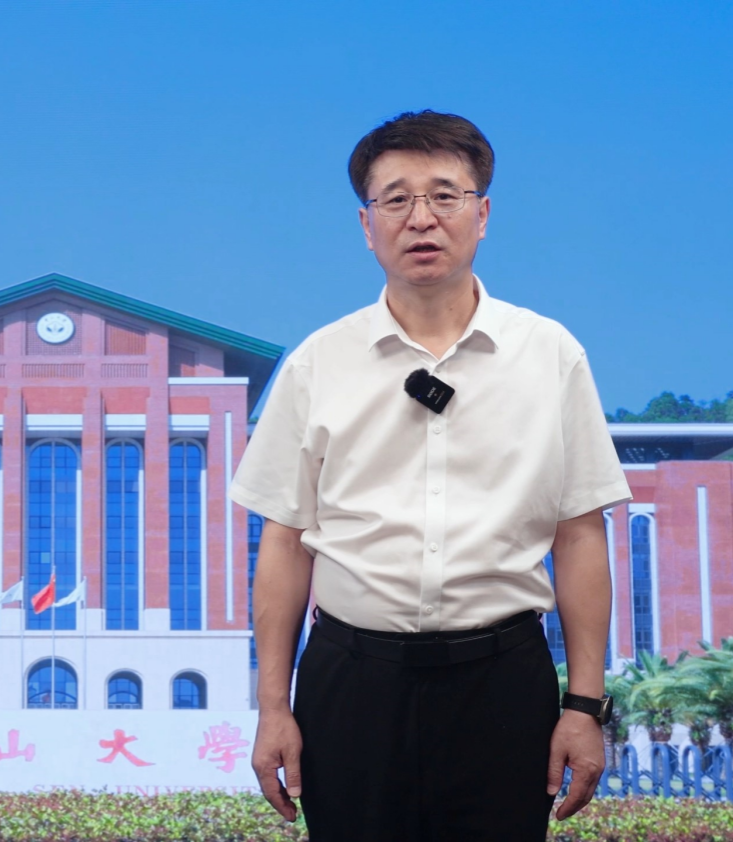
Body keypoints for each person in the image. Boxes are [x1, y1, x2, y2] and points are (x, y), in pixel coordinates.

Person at [228, 110, 631, 842]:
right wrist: (273, 705)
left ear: (483, 215)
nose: (422, 218)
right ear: (366, 224)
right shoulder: (319, 362)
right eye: (396, 200)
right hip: (351, 681)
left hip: (503, 679)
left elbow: (579, 535)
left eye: (445, 196)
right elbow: (284, 542)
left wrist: (583, 705)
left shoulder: (550, 354)